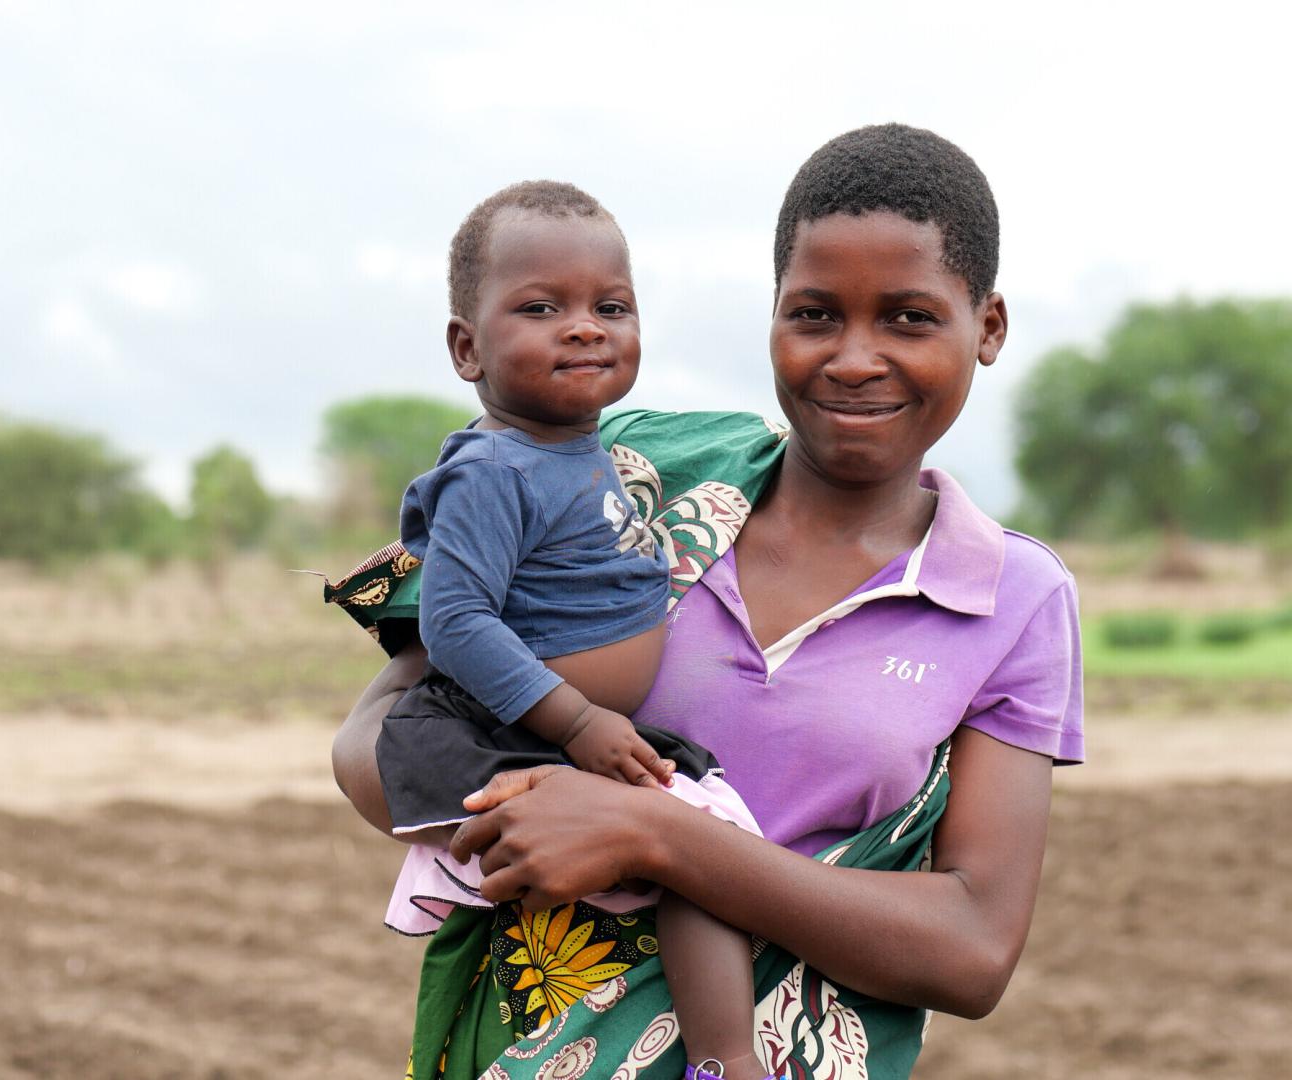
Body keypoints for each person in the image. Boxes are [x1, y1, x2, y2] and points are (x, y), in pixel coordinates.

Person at [331, 124, 1083, 1080]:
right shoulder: (627, 470)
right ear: (771, 315)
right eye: (814, 314)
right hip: (522, 1043)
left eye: (909, 318)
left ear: (988, 327)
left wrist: (657, 835)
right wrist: (483, 802)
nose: (854, 358)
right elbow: (394, 723)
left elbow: (973, 953)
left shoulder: (1015, 598)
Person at [373, 179, 776, 1080]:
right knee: (696, 849)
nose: (586, 325)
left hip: (560, 726)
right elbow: (455, 621)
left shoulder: (586, 446)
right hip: (508, 726)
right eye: (541, 307)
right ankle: (727, 1062)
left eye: (612, 306)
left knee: (706, 839)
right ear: (467, 348)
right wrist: (579, 721)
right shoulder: (492, 470)